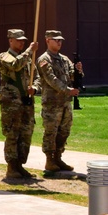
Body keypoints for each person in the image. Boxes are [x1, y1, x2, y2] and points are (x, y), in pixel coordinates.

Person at [34, 30, 83, 173]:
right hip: (52, 103)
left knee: (64, 131)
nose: (59, 43)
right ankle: (50, 160)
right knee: (51, 132)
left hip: (65, 103)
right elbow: (51, 80)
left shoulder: (64, 59)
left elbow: (72, 76)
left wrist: (79, 71)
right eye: (56, 40)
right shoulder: (44, 59)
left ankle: (58, 157)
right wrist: (68, 90)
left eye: (60, 40)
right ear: (48, 40)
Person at [0, 29, 38, 180]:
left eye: (23, 41)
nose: (21, 43)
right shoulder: (4, 57)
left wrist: (35, 88)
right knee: (12, 133)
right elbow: (15, 65)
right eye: (18, 40)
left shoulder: (28, 58)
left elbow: (37, 76)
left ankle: (20, 165)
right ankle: (11, 167)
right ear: (10, 40)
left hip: (26, 101)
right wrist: (29, 51)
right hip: (12, 103)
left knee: (26, 133)